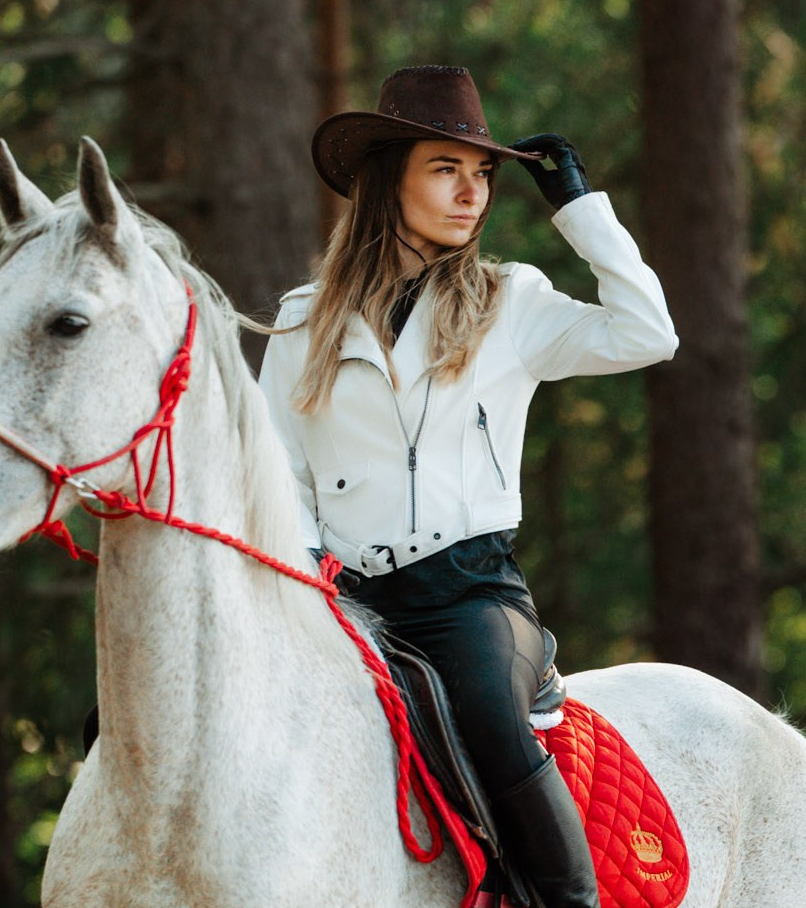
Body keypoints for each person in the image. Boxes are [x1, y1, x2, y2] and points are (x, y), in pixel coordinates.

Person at [257, 65, 676, 908]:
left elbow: (648, 333)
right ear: (389, 179)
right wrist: (307, 573)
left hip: (473, 597)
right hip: (344, 599)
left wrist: (581, 214)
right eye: (446, 169)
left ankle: (570, 902)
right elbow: (280, 469)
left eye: (482, 174)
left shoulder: (511, 299)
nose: (472, 193)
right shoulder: (303, 318)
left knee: (486, 711)